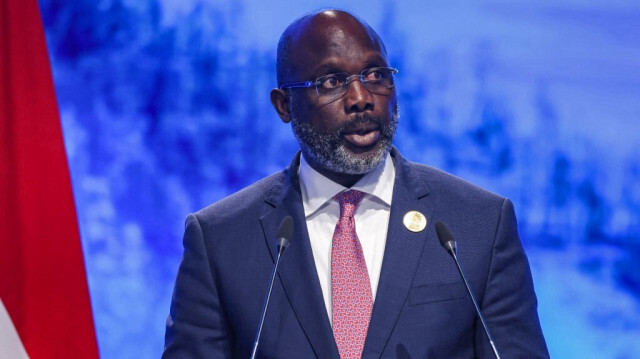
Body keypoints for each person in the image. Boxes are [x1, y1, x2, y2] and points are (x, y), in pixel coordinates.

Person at [163, 9, 549, 359]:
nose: (362, 98)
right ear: (284, 105)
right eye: (332, 81)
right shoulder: (221, 238)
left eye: (376, 75)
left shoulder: (477, 223)